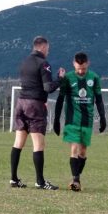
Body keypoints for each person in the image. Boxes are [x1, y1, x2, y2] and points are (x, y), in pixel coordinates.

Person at [9, 36, 65, 190]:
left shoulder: (24, 62)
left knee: (18, 142)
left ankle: (13, 179)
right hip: (35, 105)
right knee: (38, 144)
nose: (49, 51)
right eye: (48, 48)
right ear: (43, 47)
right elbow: (48, 88)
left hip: (20, 103)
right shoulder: (44, 63)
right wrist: (60, 79)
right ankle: (40, 181)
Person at [53, 52, 106, 191]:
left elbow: (99, 99)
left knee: (83, 151)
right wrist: (56, 119)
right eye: (78, 68)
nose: (81, 71)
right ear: (73, 64)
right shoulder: (68, 78)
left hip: (87, 120)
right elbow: (60, 99)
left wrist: (103, 117)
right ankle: (75, 180)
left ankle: (76, 178)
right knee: (74, 149)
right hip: (72, 120)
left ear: (88, 63)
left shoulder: (94, 78)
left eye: (83, 68)